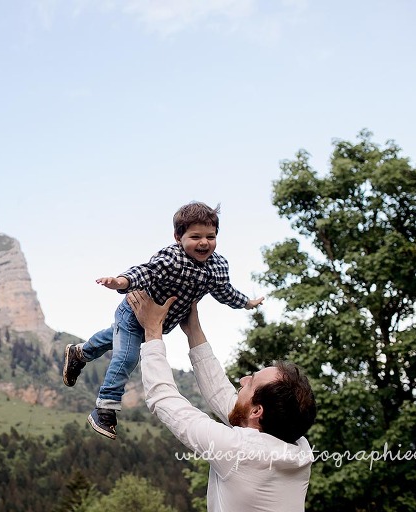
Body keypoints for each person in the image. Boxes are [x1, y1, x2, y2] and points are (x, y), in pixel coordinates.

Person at [62, 201, 264, 439]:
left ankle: (79, 352)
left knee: (111, 337)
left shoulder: (217, 266)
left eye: (210, 236)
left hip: (160, 321)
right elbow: (145, 272)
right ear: (178, 237)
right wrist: (121, 282)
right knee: (127, 356)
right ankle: (105, 407)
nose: (203, 243)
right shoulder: (170, 258)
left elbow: (225, 291)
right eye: (195, 236)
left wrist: (246, 303)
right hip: (134, 311)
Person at [128, 289, 317, 512]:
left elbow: (164, 398)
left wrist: (152, 331)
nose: (243, 379)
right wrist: (193, 330)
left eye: (251, 381)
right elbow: (226, 400)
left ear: (257, 411)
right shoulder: (300, 447)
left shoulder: (239, 452)